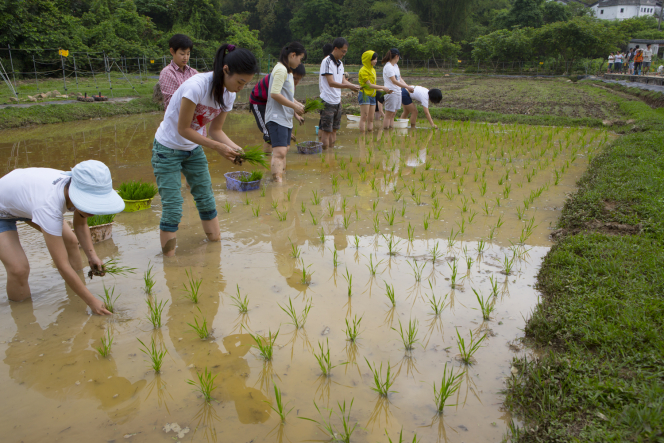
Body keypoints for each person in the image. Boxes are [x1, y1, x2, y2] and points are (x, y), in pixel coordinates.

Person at [152, 43, 259, 256]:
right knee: (173, 207)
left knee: (206, 199)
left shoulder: (229, 94)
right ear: (226, 70)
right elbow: (183, 129)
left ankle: (214, 249)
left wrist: (238, 149)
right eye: (240, 81)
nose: (241, 87)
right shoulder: (197, 87)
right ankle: (169, 263)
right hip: (168, 148)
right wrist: (219, 148)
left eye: (246, 83)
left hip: (193, 148)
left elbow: (216, 131)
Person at [0, 160, 125, 315]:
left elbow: (80, 225)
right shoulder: (48, 205)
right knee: (19, 269)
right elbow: (62, 265)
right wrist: (92, 301)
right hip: (4, 209)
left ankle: (76, 293)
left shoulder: (77, 183)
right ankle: (23, 317)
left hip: (23, 201)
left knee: (71, 241)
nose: (93, 210)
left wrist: (92, 256)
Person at [265, 42, 307, 182]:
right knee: (279, 152)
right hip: (277, 117)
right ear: (293, 55)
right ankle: (277, 183)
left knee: (285, 150)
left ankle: (280, 177)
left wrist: (296, 104)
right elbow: (275, 94)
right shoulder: (281, 70)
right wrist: (294, 107)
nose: (299, 62)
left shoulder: (287, 71)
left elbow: (286, 93)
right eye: (300, 58)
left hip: (285, 117)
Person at [250, 64, 306, 154]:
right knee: (268, 133)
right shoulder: (278, 77)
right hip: (259, 102)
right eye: (295, 78)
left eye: (299, 79)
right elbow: (279, 97)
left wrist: (296, 115)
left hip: (272, 103)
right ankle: (267, 162)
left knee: (274, 132)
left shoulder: (289, 82)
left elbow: (287, 100)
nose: (297, 82)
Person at [318, 38, 360, 149]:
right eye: (343, 51)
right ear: (335, 48)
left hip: (337, 101)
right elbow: (331, 83)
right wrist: (348, 86)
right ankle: (325, 158)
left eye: (345, 51)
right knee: (326, 131)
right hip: (327, 101)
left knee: (334, 130)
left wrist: (352, 86)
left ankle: (331, 156)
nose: (344, 54)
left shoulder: (340, 63)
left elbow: (342, 80)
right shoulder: (327, 62)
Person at [159, 34, 199, 111]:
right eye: (182, 54)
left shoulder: (194, 73)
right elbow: (172, 102)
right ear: (172, 51)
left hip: (193, 119)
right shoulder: (167, 73)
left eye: (188, 54)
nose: (186, 57)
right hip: (175, 120)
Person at [358, 50, 391, 132]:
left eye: (376, 59)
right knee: (364, 117)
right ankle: (362, 138)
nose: (376, 61)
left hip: (372, 95)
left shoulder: (373, 70)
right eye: (374, 59)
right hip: (365, 95)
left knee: (371, 118)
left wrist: (385, 91)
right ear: (368, 59)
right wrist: (383, 87)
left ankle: (370, 138)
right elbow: (368, 85)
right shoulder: (363, 70)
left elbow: (374, 86)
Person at [382, 48, 414, 129]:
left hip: (398, 92)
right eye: (399, 57)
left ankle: (390, 132)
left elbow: (399, 78)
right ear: (396, 56)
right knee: (388, 115)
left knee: (393, 114)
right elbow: (394, 81)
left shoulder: (395, 66)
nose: (399, 59)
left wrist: (407, 87)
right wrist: (407, 87)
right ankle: (386, 133)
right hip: (391, 92)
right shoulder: (388, 66)